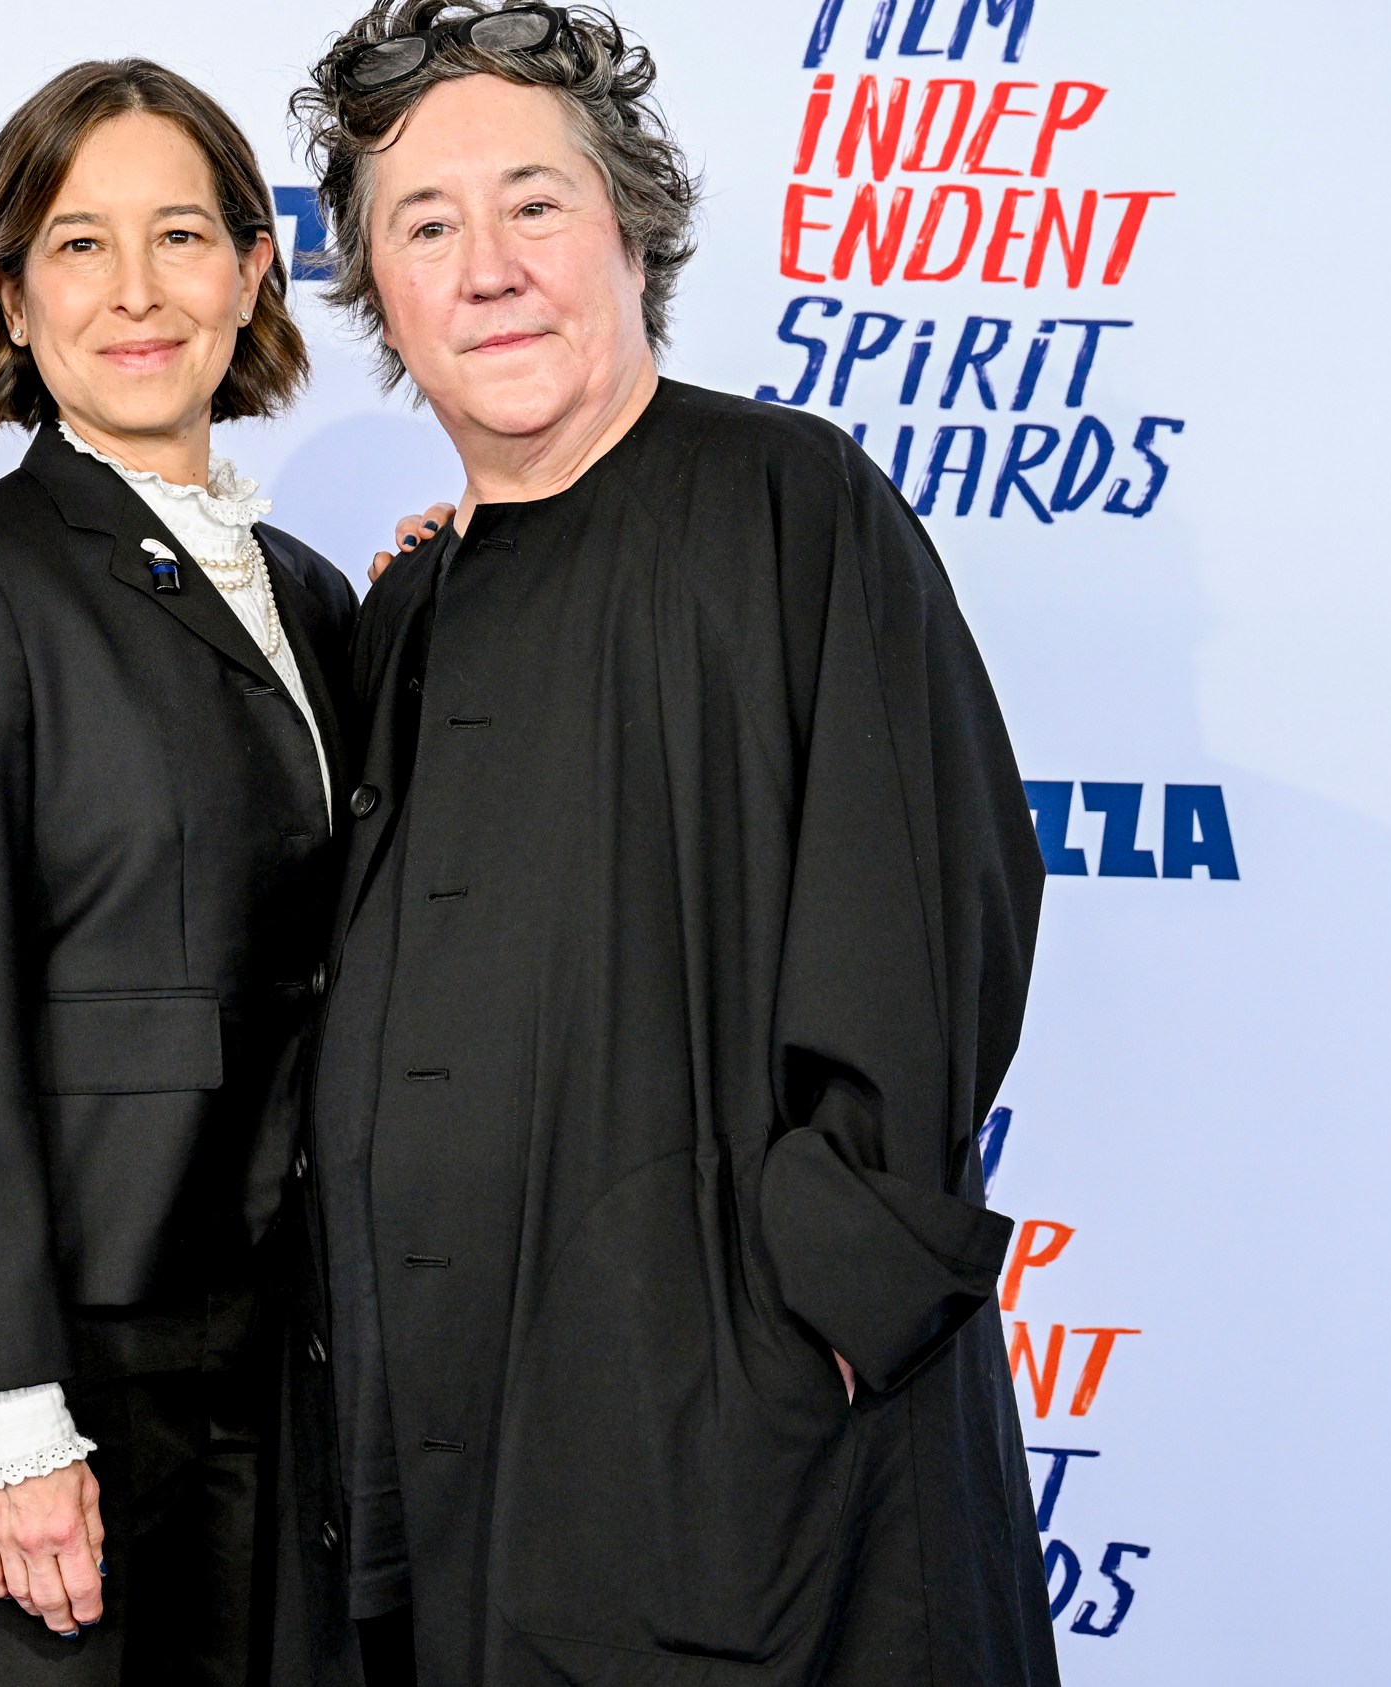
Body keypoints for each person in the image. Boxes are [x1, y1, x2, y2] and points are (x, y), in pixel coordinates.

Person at [285, 4, 1060, 1684]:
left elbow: (932, 919)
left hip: (757, 1485)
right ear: (381, 296)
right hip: (458, 1474)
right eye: (426, 225)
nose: (486, 267)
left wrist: (809, 1341)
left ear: (630, 225)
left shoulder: (795, 505)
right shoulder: (408, 602)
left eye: (534, 205)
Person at [0, 59, 360, 1687]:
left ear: (256, 269)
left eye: (184, 236)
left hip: (271, 1371)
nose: (136, 292)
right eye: (76, 244)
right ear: (4, 289)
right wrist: (8, 1420)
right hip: (50, 1382)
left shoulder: (318, 597)